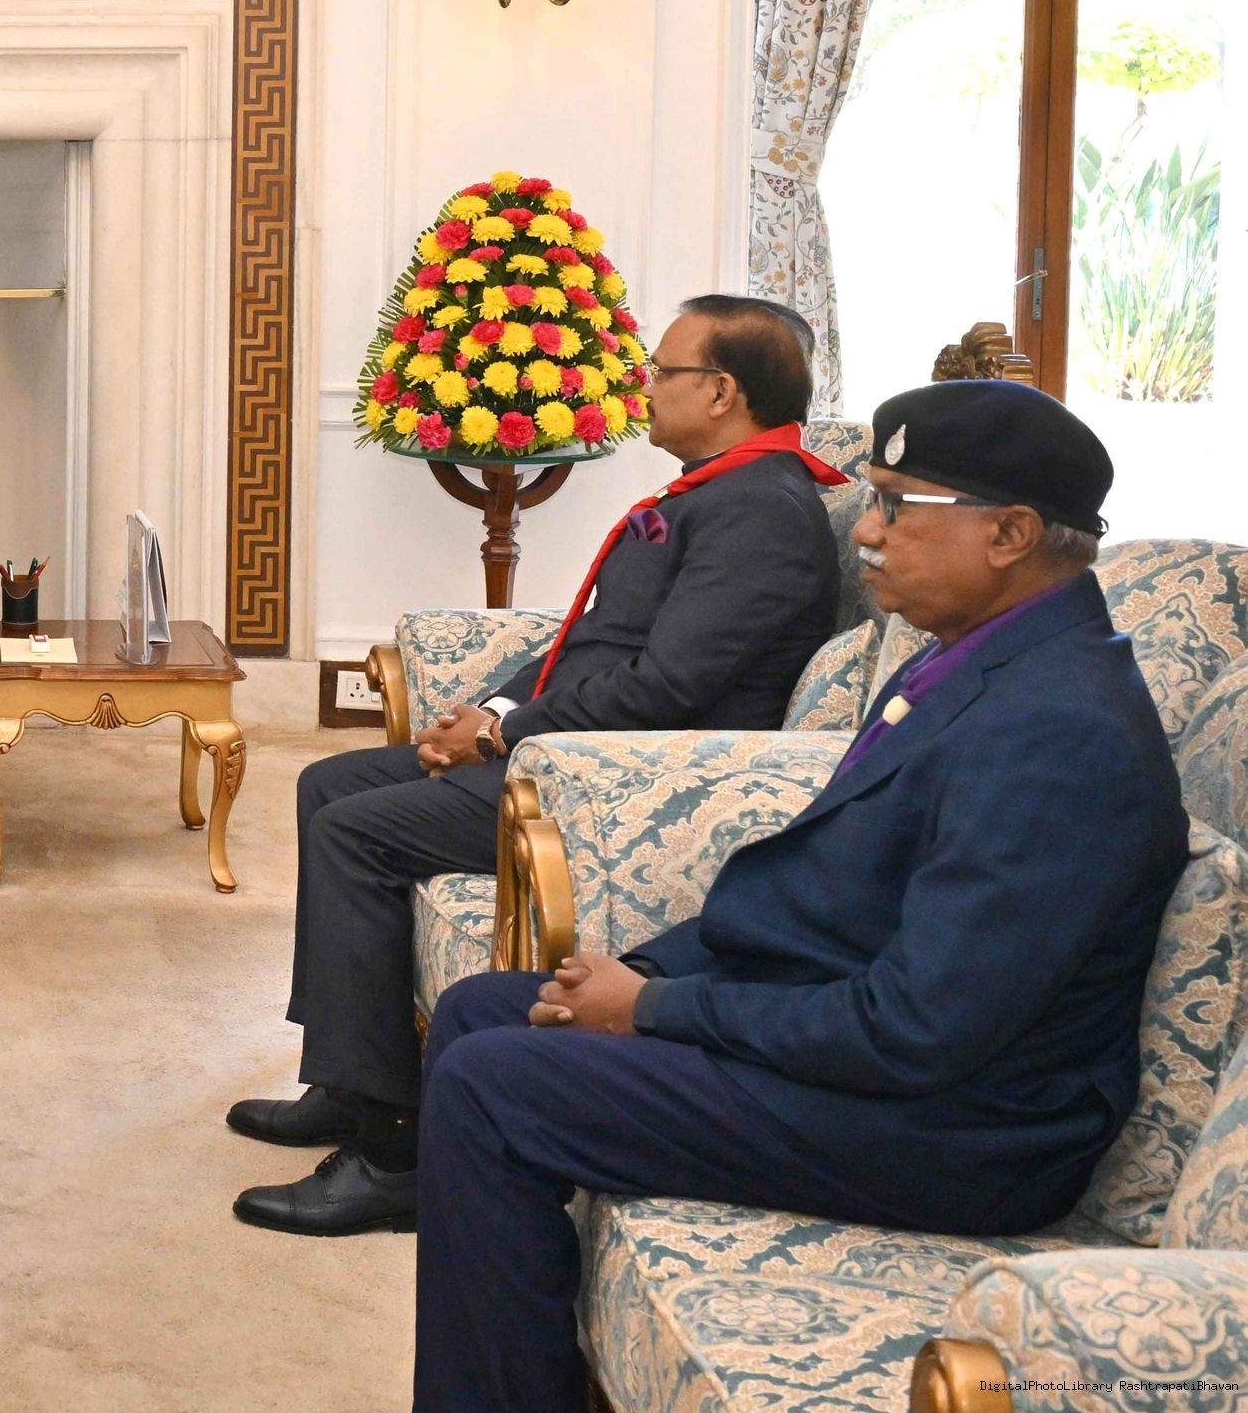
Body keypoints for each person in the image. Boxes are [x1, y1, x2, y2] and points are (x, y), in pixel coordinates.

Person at [411, 380, 1181, 1413]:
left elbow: (919, 1029)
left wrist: (655, 1009)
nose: (864, 530)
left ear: (1009, 533)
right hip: (866, 1049)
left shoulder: (1061, 731)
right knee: (481, 1010)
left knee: (493, 1085)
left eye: (897, 504)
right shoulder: (976, 659)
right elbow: (823, 892)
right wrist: (643, 971)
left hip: (957, 1128)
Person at [233, 294, 846, 1235]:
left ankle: (394, 1152)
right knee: (329, 783)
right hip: (568, 749)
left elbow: (668, 686)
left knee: (358, 831)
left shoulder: (760, 510)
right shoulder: (714, 490)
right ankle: (351, 1082)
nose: (646, 385)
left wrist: (503, 734)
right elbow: (595, 638)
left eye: (664, 371)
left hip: (619, 783)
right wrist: (492, 707)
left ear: (722, 391)